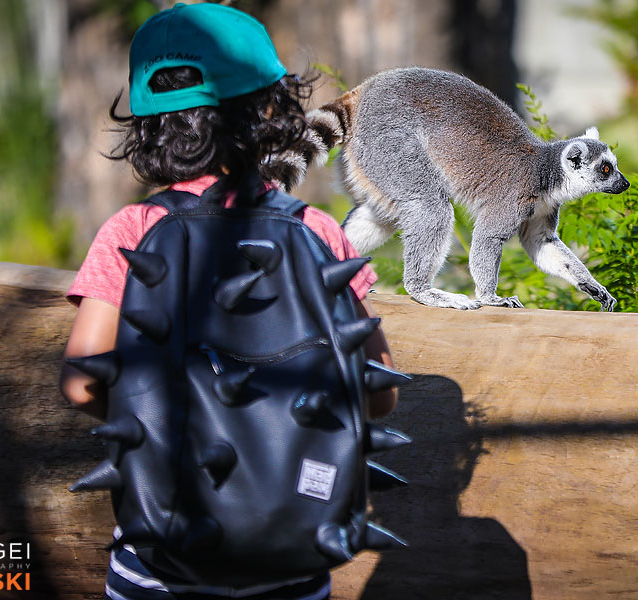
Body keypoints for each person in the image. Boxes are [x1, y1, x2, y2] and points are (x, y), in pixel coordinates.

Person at [59, 4, 398, 599]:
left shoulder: (132, 231)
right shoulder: (317, 230)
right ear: (271, 109)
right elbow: (380, 391)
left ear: (148, 124)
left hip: (161, 555)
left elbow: (82, 383)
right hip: (293, 554)